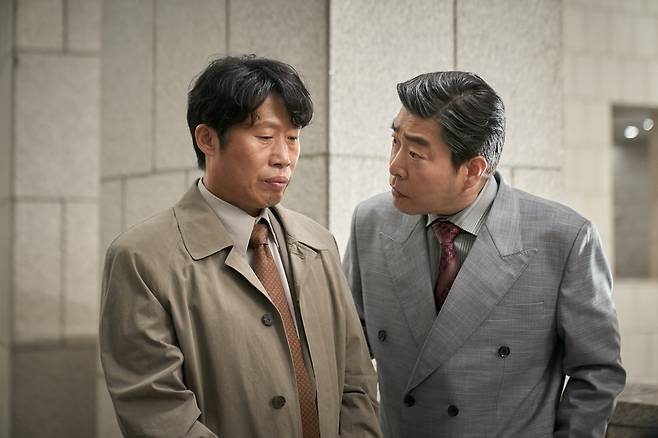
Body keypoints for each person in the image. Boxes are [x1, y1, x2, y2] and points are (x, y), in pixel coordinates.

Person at [100, 55, 381, 438]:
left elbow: (356, 381)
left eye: (293, 138)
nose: (284, 158)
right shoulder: (142, 259)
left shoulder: (319, 244)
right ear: (207, 139)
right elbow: (157, 411)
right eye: (265, 137)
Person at [343, 71, 625, 437]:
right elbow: (348, 353)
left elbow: (598, 372)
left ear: (473, 170)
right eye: (394, 141)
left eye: (414, 153)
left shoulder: (564, 239)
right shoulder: (371, 221)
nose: (394, 166)